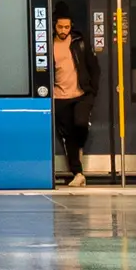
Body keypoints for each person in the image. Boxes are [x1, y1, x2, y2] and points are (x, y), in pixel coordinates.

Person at [49, 14, 88, 188]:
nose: (63, 31)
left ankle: (79, 147)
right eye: (60, 27)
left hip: (79, 94)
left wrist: (91, 89)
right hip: (59, 96)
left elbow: (92, 66)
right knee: (68, 135)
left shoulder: (79, 42)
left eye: (66, 27)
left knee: (80, 125)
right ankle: (78, 173)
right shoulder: (48, 45)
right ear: (54, 27)